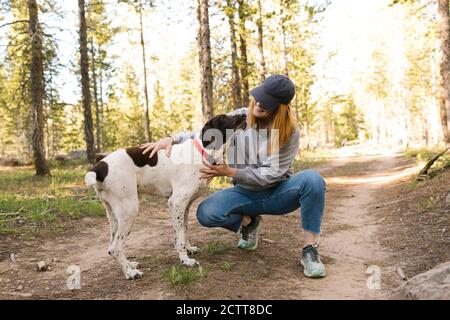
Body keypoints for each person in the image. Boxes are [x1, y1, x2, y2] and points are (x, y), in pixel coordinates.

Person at [140, 75, 326, 278]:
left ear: (281, 108)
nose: (260, 102)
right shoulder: (242, 117)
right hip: (244, 192)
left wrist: (229, 171)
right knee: (206, 212)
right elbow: (206, 132)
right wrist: (171, 139)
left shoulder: (289, 132)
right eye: (259, 96)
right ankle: (249, 223)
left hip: (278, 193)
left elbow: (270, 175)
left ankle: (310, 250)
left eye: (268, 101)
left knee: (313, 180)